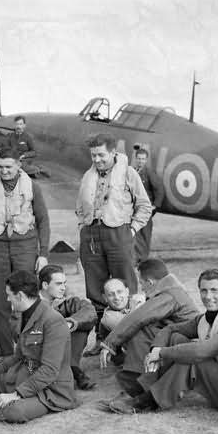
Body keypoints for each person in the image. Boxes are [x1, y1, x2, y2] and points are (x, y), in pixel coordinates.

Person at [111, 269, 218, 415]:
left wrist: (162, 353)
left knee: (194, 360)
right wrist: (156, 348)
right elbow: (170, 329)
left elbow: (201, 352)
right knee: (176, 338)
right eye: (204, 290)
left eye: (214, 290)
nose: (208, 296)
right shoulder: (206, 318)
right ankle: (143, 389)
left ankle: (147, 401)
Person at [0, 271, 78, 423]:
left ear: (20, 296)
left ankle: (6, 406)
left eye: (9, 295)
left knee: (13, 412)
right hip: (23, 376)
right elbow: (18, 357)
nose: (8, 299)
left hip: (49, 389)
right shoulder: (23, 314)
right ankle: (0, 405)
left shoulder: (53, 321)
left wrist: (15, 395)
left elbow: (49, 371)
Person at [0, 148, 50, 356]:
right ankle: (7, 355)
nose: (4, 171)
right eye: (0, 167)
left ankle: (30, 352)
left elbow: (43, 220)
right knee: (0, 302)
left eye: (9, 166)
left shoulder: (33, 187)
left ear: (18, 165)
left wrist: (43, 253)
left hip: (25, 247)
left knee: (27, 298)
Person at [76, 134, 153, 323]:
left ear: (112, 152)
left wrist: (132, 230)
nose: (97, 160)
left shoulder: (128, 173)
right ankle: (101, 333)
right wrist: (82, 228)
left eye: (101, 155)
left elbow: (145, 206)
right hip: (91, 236)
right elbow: (79, 207)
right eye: (93, 155)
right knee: (95, 289)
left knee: (126, 286)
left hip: (119, 233)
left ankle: (130, 331)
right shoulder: (87, 176)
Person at [99, 259, 199, 402]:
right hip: (182, 339)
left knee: (141, 329)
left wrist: (110, 343)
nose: (141, 288)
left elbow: (139, 317)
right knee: (147, 328)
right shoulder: (172, 290)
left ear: (150, 282)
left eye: (141, 283)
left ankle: (137, 381)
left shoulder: (168, 295)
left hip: (186, 344)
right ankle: (137, 378)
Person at [38, 264, 97, 390]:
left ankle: (72, 367)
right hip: (40, 351)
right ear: (45, 285)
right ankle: (72, 371)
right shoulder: (30, 302)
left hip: (62, 348)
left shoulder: (65, 300)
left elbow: (90, 311)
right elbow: (19, 332)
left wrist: (70, 323)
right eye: (58, 284)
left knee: (80, 325)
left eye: (64, 283)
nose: (63, 288)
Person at [85, 278, 145, 358]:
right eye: (111, 294)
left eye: (119, 292)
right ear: (105, 298)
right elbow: (133, 327)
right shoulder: (108, 318)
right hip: (132, 350)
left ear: (127, 291)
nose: (116, 297)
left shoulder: (138, 299)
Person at [131, 148, 163, 263]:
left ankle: (143, 259)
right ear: (135, 159)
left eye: (143, 159)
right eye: (139, 158)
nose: (141, 161)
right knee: (135, 233)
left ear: (146, 160)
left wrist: (155, 205)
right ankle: (136, 257)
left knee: (145, 234)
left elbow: (159, 189)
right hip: (134, 208)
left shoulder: (149, 172)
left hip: (145, 208)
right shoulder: (132, 171)